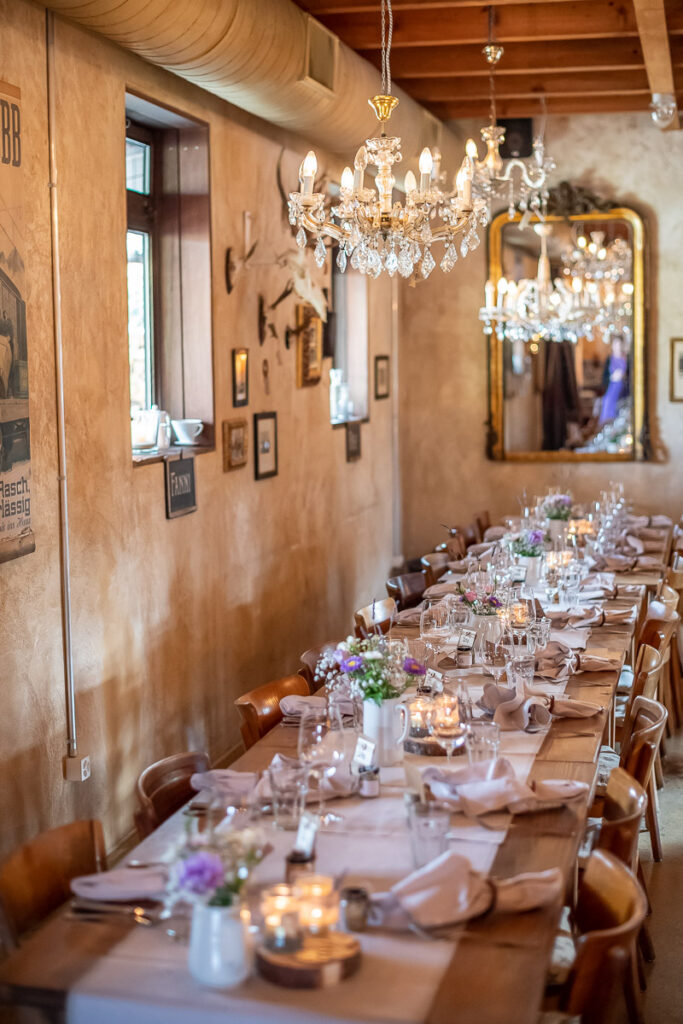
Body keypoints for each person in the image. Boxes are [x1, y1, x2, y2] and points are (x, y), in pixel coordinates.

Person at [599, 334, 629, 424]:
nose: (618, 346)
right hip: (612, 389)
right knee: (608, 404)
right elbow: (604, 379)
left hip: (624, 390)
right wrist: (612, 377)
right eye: (616, 344)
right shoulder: (609, 360)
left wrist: (623, 376)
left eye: (619, 344)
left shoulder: (626, 358)